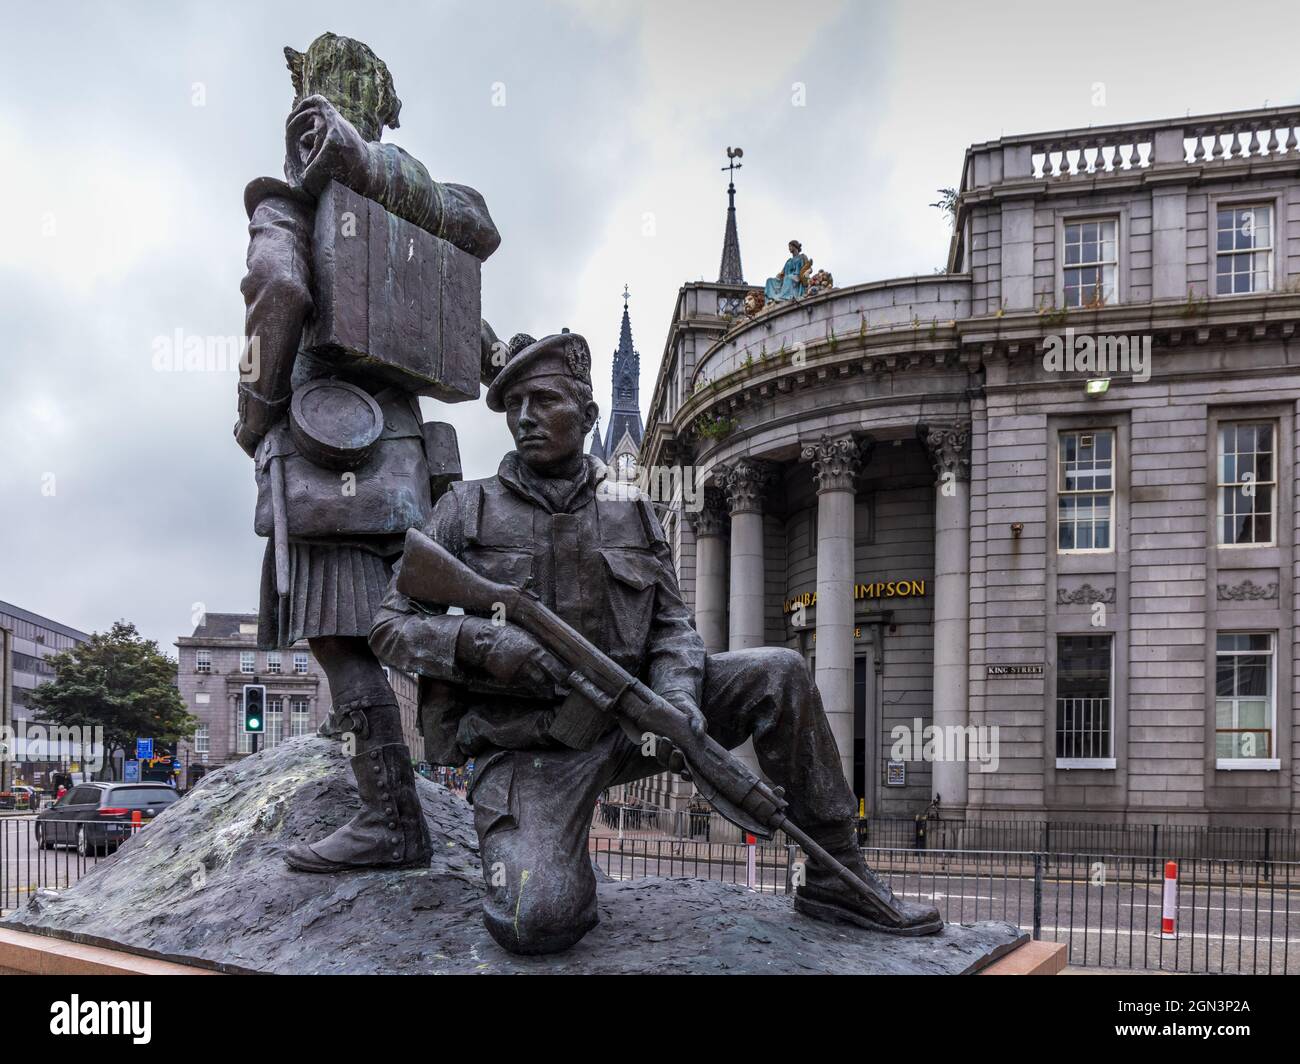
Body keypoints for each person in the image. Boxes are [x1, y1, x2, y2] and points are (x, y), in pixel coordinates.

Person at [369, 331, 942, 955]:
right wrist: (479, 642)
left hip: (631, 714)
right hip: (531, 752)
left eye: (544, 400)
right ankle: (557, 867)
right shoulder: (466, 507)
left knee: (779, 671)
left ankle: (835, 874)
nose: (525, 418)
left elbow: (674, 627)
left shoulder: (630, 509)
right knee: (540, 920)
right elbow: (390, 626)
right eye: (514, 407)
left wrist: (679, 704)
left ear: (588, 414)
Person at [234, 33, 501, 874]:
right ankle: (496, 794)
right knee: (411, 632)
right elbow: (478, 341)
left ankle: (391, 819)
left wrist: (256, 409)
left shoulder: (290, 204)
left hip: (322, 456)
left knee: (343, 645)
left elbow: (276, 292)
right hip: (411, 467)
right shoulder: (418, 216)